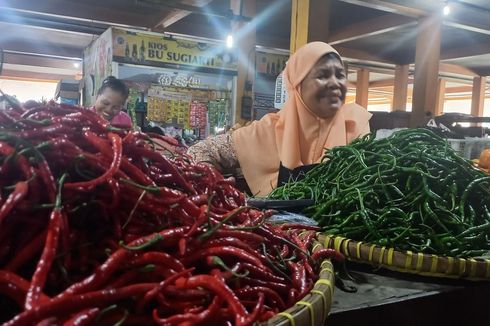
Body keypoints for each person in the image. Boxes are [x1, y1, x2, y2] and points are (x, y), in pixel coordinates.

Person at [187, 42, 372, 196]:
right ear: (297, 85)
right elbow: (198, 153)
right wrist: (221, 196)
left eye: (340, 75)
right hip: (281, 237)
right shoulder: (268, 129)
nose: (335, 83)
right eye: (322, 76)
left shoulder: (355, 124)